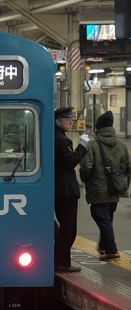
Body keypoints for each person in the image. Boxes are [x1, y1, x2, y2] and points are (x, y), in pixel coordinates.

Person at [79, 110, 130, 260]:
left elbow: (86, 167)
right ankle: (103, 245)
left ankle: (112, 250)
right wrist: (124, 186)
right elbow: (128, 167)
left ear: (98, 128)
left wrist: (84, 180)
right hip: (115, 189)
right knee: (106, 218)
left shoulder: (92, 145)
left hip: (98, 189)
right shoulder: (121, 146)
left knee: (100, 216)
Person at [54, 105, 89, 272]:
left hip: (56, 188)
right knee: (69, 228)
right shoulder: (63, 140)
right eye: (67, 119)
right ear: (57, 121)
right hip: (65, 190)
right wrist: (82, 146)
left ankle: (57, 259)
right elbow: (71, 162)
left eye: (71, 119)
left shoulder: (52, 136)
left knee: (63, 227)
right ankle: (62, 262)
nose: (70, 122)